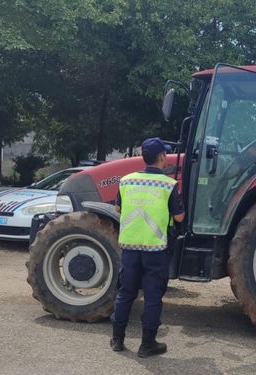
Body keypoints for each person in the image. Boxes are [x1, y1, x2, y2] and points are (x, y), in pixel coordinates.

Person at [109, 137, 185, 358]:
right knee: (152, 297)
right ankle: (147, 345)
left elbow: (118, 209)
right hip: (156, 250)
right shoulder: (168, 185)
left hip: (130, 249)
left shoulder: (126, 181)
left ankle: (117, 339)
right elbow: (179, 217)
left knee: (125, 293)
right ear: (162, 157)